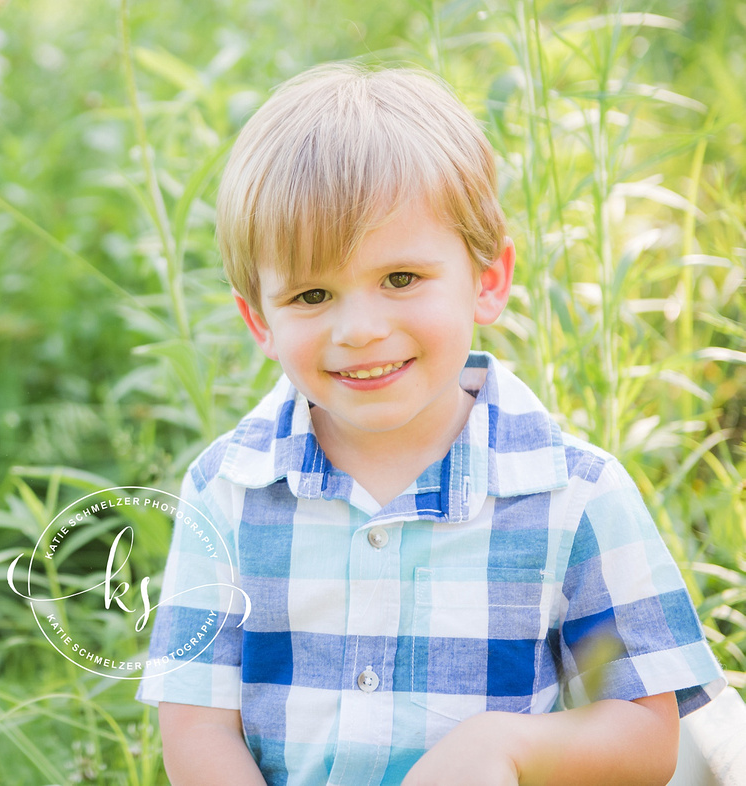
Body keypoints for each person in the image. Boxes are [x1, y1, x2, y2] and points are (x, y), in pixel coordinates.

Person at [135, 62, 726, 785]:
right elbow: (196, 728)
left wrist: (503, 746)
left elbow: (646, 737)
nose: (359, 329)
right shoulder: (228, 491)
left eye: (401, 279)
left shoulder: (575, 497)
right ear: (259, 320)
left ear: (488, 280)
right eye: (313, 294)